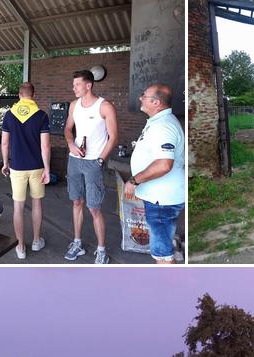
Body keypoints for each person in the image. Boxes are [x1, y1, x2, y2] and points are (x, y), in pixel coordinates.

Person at [125, 84, 185, 264]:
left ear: (156, 102)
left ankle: (170, 286)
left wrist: (134, 181)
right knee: (163, 246)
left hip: (161, 201)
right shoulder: (157, 122)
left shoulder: (163, 126)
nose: (140, 98)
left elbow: (164, 164)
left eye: (144, 95)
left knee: (162, 253)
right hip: (159, 198)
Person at [63, 69, 118, 264]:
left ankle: (101, 249)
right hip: (74, 160)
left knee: (94, 208)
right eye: (73, 84)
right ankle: (77, 242)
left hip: (94, 162)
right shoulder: (73, 106)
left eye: (77, 84)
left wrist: (100, 160)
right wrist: (71, 144)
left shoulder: (105, 107)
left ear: (89, 85)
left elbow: (113, 137)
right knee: (76, 202)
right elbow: (68, 129)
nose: (74, 88)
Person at [1, 82, 50, 259]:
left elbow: (5, 143)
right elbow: (45, 146)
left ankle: (21, 247)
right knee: (37, 203)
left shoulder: (9, 115)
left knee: (18, 206)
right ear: (33, 95)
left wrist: (5, 163)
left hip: (17, 167)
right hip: (37, 166)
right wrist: (47, 168)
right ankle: (36, 241)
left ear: (19, 95)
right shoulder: (42, 115)